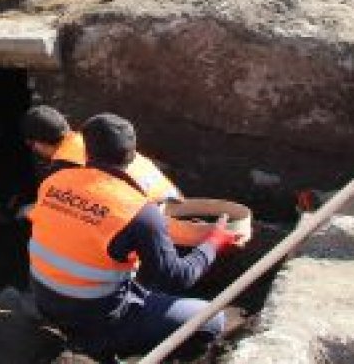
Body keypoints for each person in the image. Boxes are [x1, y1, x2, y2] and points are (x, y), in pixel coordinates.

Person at [27, 114, 239, 360]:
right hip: (98, 322)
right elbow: (177, 277)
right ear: (132, 154)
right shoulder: (138, 211)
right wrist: (213, 243)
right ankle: (125, 352)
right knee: (212, 319)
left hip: (46, 302)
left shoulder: (53, 182)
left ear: (86, 151)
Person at [21, 105, 182, 204]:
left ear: (38, 143)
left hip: (163, 230)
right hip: (177, 203)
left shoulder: (63, 169)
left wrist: (32, 209)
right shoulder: (97, 141)